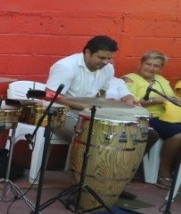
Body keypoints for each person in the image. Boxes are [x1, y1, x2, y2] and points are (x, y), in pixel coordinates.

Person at [45, 35, 135, 141]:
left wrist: (104, 104)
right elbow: (50, 96)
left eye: (109, 58)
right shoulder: (67, 66)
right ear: (88, 52)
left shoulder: (108, 68)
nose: (106, 62)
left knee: (124, 136)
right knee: (94, 138)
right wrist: (84, 107)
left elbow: (102, 93)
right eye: (101, 58)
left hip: (88, 114)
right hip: (60, 115)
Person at [123, 51, 181, 187]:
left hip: (167, 116)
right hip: (147, 117)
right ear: (140, 64)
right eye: (148, 64)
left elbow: (171, 99)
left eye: (156, 66)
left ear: (161, 69)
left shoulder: (161, 81)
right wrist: (156, 99)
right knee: (178, 135)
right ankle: (164, 171)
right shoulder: (130, 79)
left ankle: (176, 172)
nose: (151, 68)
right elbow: (129, 101)